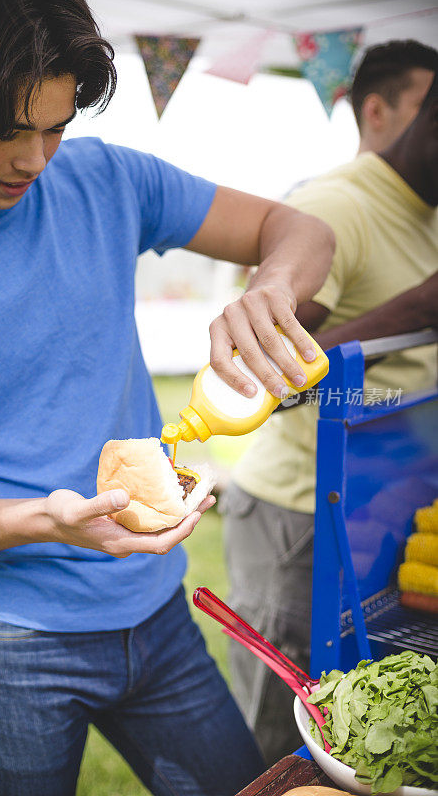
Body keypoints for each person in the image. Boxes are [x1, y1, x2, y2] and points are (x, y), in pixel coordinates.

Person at [0, 0, 335, 794]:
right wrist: (46, 521)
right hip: (6, 645)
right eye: (5, 128)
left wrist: (266, 292)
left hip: (161, 618)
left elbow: (302, 231)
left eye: (55, 126)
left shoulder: (104, 177)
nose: (35, 159)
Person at [223, 59, 438, 765]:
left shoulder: (422, 208)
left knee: (347, 733)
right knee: (279, 743)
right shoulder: (341, 206)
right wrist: (418, 308)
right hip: (295, 519)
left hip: (368, 511)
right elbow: (266, 377)